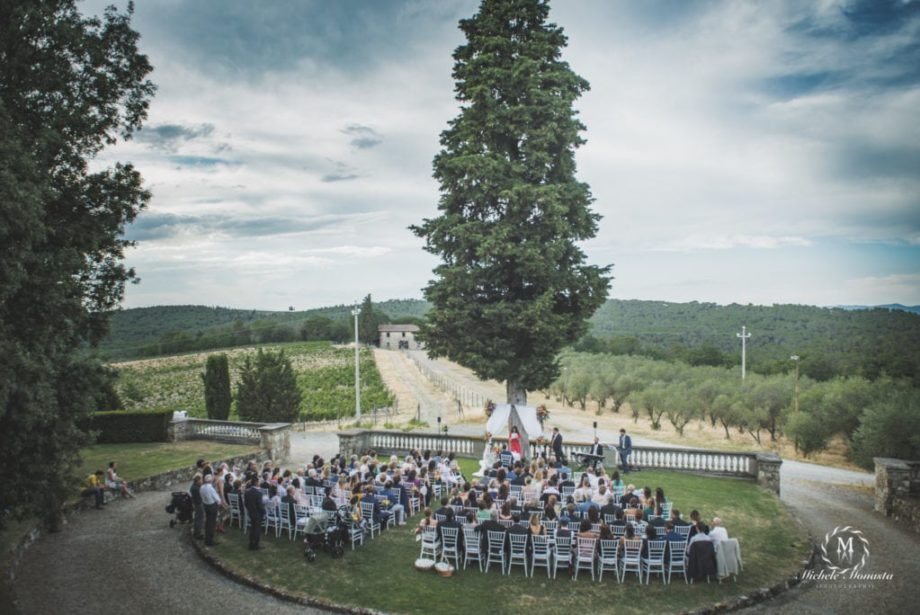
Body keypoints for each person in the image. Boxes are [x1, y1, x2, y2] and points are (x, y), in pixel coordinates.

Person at [200, 474, 222, 546]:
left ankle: (208, 539)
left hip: (206, 505)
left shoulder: (202, 487)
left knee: (208, 523)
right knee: (211, 524)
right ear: (210, 480)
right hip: (212, 506)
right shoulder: (210, 488)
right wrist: (219, 502)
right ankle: (209, 540)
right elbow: (217, 499)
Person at [244, 477, 265, 550]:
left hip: (251, 512)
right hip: (257, 513)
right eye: (258, 482)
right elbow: (260, 506)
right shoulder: (258, 493)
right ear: (256, 482)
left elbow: (246, 503)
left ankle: (251, 543)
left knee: (252, 528)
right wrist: (263, 512)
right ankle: (255, 544)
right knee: (257, 529)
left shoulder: (247, 491)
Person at [190, 473, 204, 540]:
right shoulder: (196, 488)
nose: (202, 481)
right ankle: (198, 534)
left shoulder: (194, 486)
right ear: (197, 480)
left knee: (197, 518)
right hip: (199, 505)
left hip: (197, 504)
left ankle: (197, 532)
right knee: (199, 519)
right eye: (201, 480)